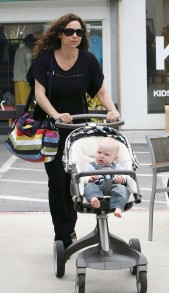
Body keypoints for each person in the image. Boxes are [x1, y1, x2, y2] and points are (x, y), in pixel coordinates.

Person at [28, 13, 120, 248]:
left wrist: (112, 110)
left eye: (79, 32)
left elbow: (101, 92)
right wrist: (56, 114)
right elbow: (40, 95)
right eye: (69, 31)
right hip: (52, 128)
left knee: (75, 178)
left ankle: (71, 228)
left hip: (78, 128)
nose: (75, 36)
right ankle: (64, 233)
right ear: (59, 34)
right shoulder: (45, 60)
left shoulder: (88, 60)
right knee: (57, 181)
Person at [84, 137, 130, 218]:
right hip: (97, 185)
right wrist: (90, 179)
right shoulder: (91, 166)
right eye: (99, 152)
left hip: (114, 185)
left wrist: (122, 178)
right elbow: (83, 177)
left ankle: (118, 208)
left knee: (123, 189)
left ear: (115, 158)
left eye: (106, 154)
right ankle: (94, 200)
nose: (101, 156)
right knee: (89, 187)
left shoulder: (117, 166)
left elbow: (126, 174)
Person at [13, 34, 35, 105]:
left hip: (16, 79)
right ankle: (26, 115)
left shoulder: (17, 50)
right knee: (25, 101)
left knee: (18, 101)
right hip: (24, 80)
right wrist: (30, 80)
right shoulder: (27, 51)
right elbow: (29, 67)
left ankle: (19, 115)